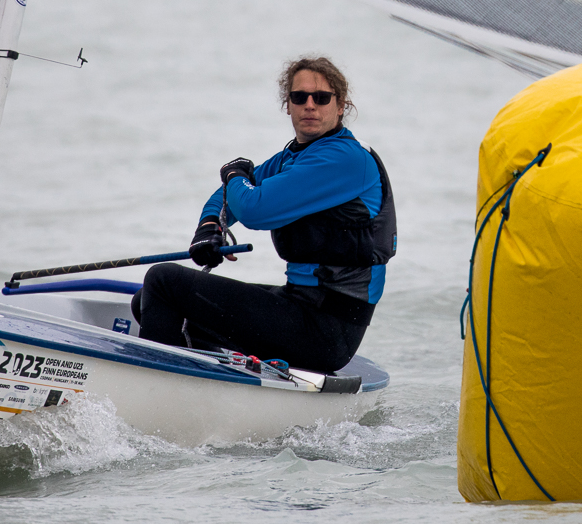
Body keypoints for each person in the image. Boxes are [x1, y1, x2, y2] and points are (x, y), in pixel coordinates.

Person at [131, 56, 396, 373]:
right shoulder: (295, 156)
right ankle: (210, 379)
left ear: (340, 106)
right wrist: (211, 227)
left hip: (326, 329)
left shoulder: (344, 159)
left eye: (321, 97)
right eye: (299, 97)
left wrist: (233, 174)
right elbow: (230, 196)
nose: (310, 105)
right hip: (300, 303)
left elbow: (253, 209)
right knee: (146, 299)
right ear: (288, 105)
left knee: (164, 282)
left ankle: (158, 385)